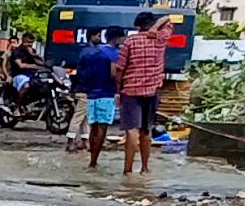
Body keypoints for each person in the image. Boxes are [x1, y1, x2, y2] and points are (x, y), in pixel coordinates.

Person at [116, 10, 172, 175]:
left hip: (131, 91)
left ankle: (128, 170)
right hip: (152, 91)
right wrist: (156, 27)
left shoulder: (130, 42)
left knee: (131, 131)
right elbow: (168, 19)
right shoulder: (161, 39)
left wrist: (118, 90)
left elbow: (120, 68)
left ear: (137, 26)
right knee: (146, 131)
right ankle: (145, 168)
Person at [71, 27, 124, 166]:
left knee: (93, 127)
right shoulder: (114, 54)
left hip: (91, 94)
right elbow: (114, 74)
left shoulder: (95, 51)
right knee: (102, 127)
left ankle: (91, 160)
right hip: (106, 93)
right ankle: (94, 161)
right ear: (116, 38)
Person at [2, 34, 47, 106]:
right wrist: (33, 66)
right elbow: (20, 65)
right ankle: (17, 107)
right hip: (18, 75)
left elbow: (40, 62)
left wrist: (34, 55)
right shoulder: (16, 52)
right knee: (26, 86)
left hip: (31, 75)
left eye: (31, 43)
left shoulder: (33, 51)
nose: (30, 45)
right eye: (28, 42)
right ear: (23, 41)